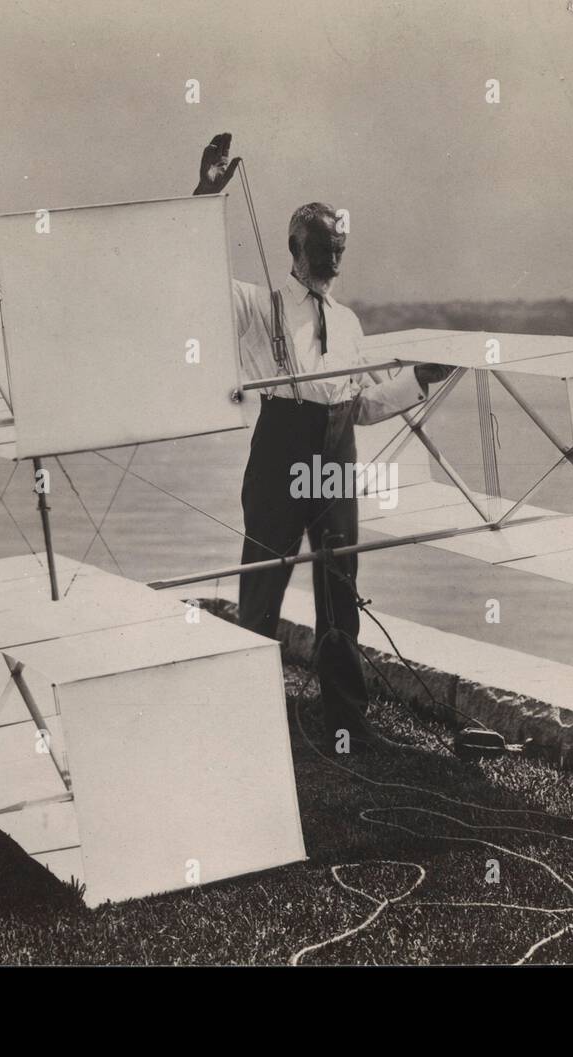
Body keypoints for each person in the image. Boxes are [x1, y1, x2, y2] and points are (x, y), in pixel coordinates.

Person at [192, 132, 452, 752]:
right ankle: (243, 720)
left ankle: (347, 723)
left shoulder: (351, 321)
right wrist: (206, 194)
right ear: (294, 250)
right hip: (281, 447)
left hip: (336, 453)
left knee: (339, 587)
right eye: (321, 248)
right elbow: (193, 276)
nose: (333, 259)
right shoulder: (261, 308)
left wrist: (417, 379)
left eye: (339, 248)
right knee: (263, 585)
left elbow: (360, 404)